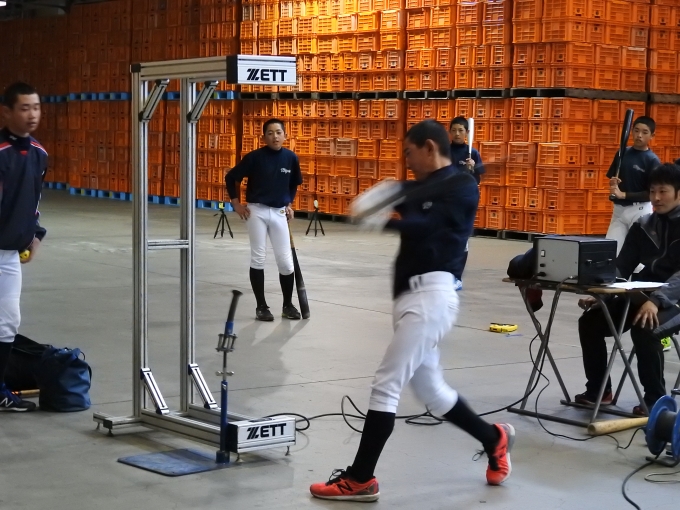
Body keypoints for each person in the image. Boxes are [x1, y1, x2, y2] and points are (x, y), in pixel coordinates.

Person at [309, 120, 514, 502]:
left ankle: (361, 478)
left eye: (409, 152)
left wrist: (386, 220)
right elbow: (402, 195)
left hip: (432, 297)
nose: (406, 160)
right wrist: (386, 195)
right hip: (408, 298)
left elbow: (427, 227)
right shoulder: (420, 186)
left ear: (429, 148)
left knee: (386, 384)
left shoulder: (462, 185)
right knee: (433, 393)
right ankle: (494, 438)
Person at [577, 163, 680, 416]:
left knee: (645, 328)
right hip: (643, 293)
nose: (656, 198)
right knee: (590, 323)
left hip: (673, 299)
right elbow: (622, 266)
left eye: (663, 191)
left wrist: (657, 300)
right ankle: (599, 391)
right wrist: (602, 290)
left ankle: (655, 400)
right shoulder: (643, 225)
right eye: (652, 191)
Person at [225, 118, 303, 321]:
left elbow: (293, 184)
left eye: (278, 132)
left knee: (286, 263)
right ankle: (261, 306)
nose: (274, 136)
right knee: (258, 258)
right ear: (263, 137)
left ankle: (287, 305)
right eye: (270, 133)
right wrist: (236, 203)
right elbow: (231, 177)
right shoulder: (255, 158)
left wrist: (289, 204)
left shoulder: (291, 158)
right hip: (256, 212)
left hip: (279, 212)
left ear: (285, 136)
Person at [0, 82, 47, 411]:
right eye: (24, 108)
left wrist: (36, 235)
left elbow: (35, 200)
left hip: (9, 255)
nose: (32, 114)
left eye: (36, 107)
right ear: (6, 112)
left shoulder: (39, 154)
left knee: (8, 321)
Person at [607, 116, 660, 255]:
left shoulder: (652, 160)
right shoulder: (622, 153)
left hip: (640, 211)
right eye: (636, 130)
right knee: (611, 252)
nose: (639, 135)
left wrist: (623, 194)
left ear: (652, 136)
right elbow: (613, 178)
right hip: (619, 210)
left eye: (644, 132)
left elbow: (652, 193)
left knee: (638, 256)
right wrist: (613, 184)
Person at [448, 116, 485, 290]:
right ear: (449, 132)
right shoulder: (444, 152)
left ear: (467, 133)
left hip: (465, 202)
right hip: (447, 200)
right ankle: (445, 274)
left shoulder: (473, 154)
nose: (457, 134)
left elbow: (477, 179)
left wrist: (473, 168)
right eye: (454, 130)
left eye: (460, 130)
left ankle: (457, 277)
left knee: (462, 240)